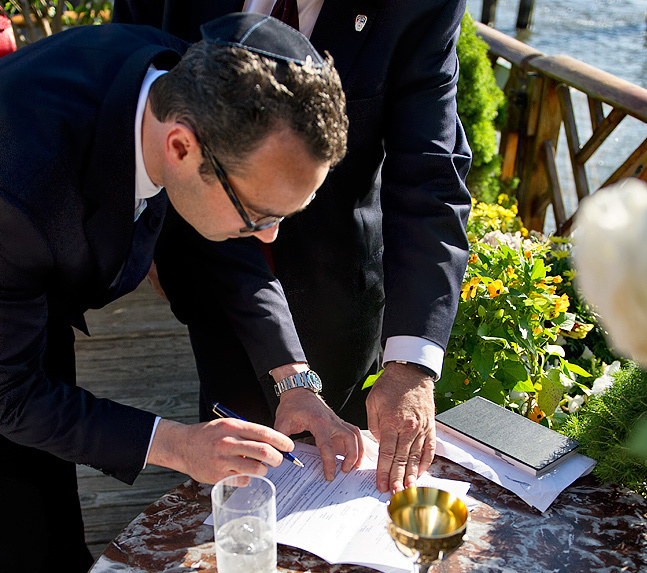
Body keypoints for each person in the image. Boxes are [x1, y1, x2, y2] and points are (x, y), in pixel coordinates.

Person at [0, 14, 361, 573]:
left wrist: (295, 381)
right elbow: (11, 395)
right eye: (260, 216)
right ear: (180, 146)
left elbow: (222, 237)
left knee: (50, 526)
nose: (270, 237)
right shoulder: (20, 193)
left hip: (26, 295)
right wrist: (177, 444)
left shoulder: (188, 86)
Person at [112, 0, 473, 495]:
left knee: (340, 480)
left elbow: (430, 179)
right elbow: (141, 82)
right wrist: (145, 231)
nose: (269, 230)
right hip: (207, 264)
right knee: (232, 474)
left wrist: (411, 364)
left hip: (337, 287)